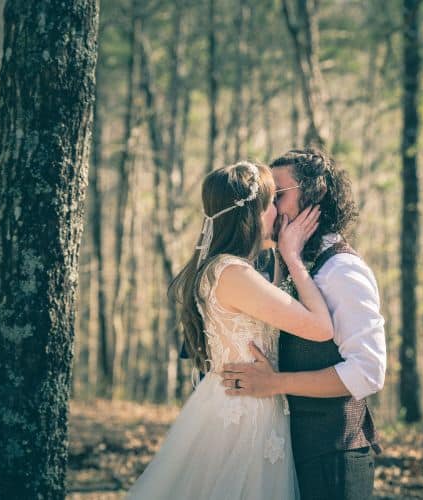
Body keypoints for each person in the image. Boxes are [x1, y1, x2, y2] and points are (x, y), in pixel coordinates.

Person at [126, 160, 333, 500]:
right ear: (253, 214)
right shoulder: (233, 274)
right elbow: (322, 328)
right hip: (243, 416)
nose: (279, 213)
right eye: (271, 204)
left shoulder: (228, 268)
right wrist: (293, 257)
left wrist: (282, 256)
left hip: (242, 401)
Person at [221, 149, 387, 500]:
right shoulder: (284, 261)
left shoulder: (342, 270)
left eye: (278, 195)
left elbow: (368, 372)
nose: (270, 205)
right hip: (289, 455)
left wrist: (275, 384)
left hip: (333, 461)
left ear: (315, 195)